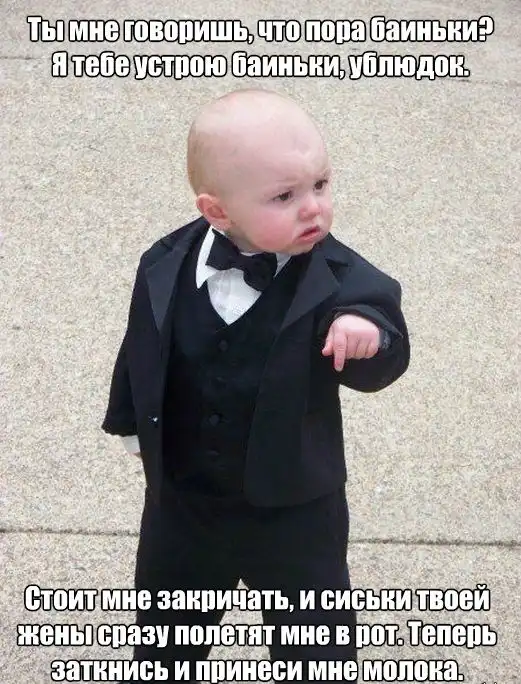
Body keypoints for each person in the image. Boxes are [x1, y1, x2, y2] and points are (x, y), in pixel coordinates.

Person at [102, 88, 410, 683]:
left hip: (296, 506)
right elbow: (142, 348)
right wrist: (129, 420)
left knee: (315, 642)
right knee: (166, 635)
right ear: (217, 211)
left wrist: (368, 333)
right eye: (284, 196)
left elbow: (385, 351)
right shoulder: (163, 263)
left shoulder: (343, 279)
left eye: (321, 184)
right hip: (185, 502)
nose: (313, 208)